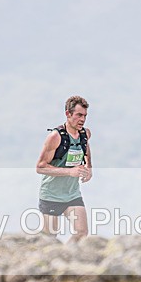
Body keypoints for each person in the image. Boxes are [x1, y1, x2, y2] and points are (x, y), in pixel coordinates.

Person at [36, 95, 93, 242]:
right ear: (68, 114)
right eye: (79, 115)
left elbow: (86, 148)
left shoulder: (84, 134)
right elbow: (40, 167)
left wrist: (89, 166)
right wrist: (70, 172)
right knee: (49, 239)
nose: (82, 119)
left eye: (85, 116)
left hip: (72, 194)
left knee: (82, 232)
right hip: (51, 195)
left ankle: (67, 256)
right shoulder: (55, 137)